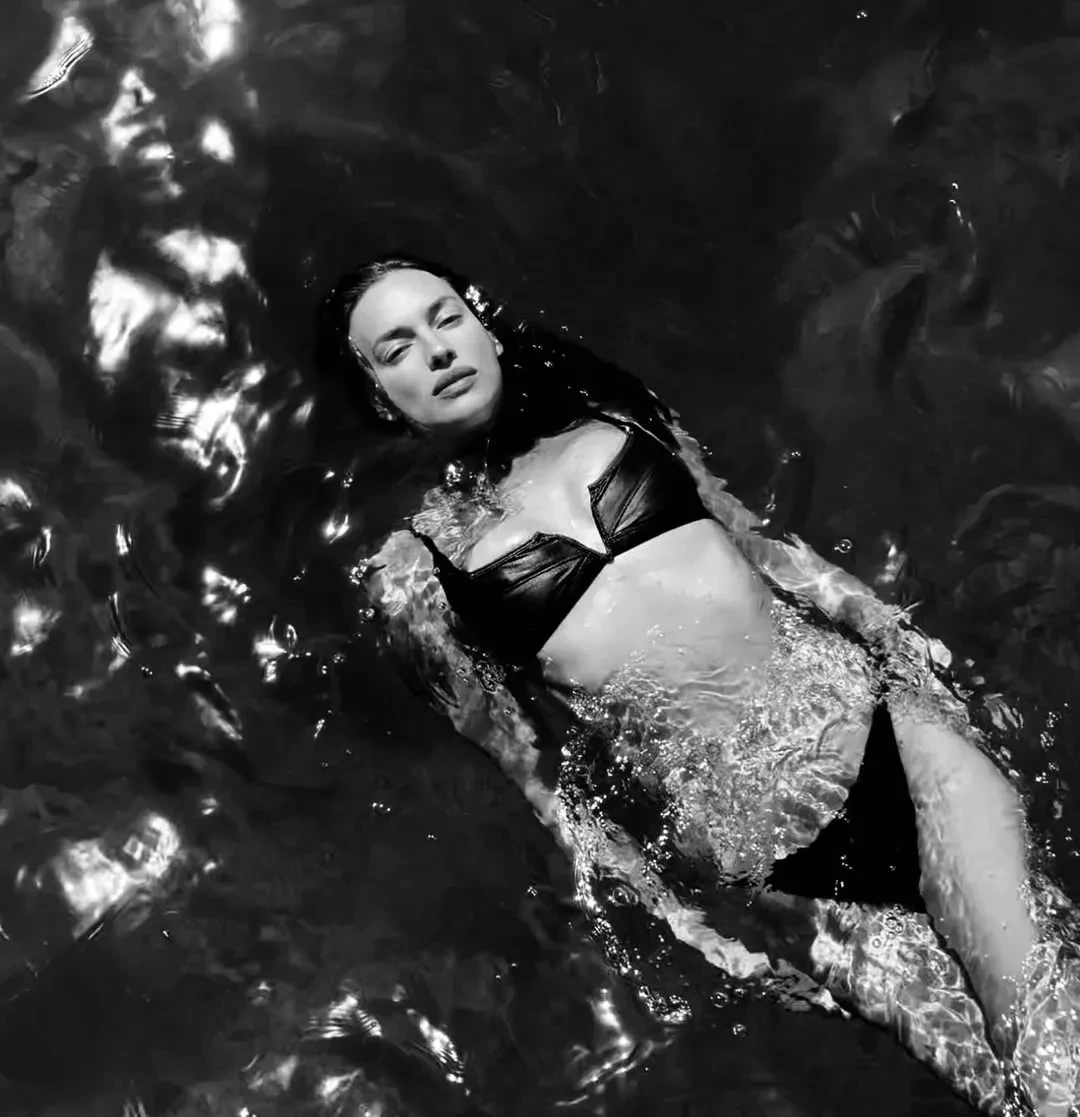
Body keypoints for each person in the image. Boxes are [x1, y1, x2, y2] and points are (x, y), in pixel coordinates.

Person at [317, 253, 1079, 1115]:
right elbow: (537, 777)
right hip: (784, 859)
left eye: (446, 318)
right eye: (398, 348)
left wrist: (896, 636)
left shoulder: (614, 415)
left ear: (482, 326)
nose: (438, 351)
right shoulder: (418, 578)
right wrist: (678, 916)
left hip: (892, 737)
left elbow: (764, 547)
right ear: (380, 395)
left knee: (1050, 1028)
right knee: (1010, 1097)